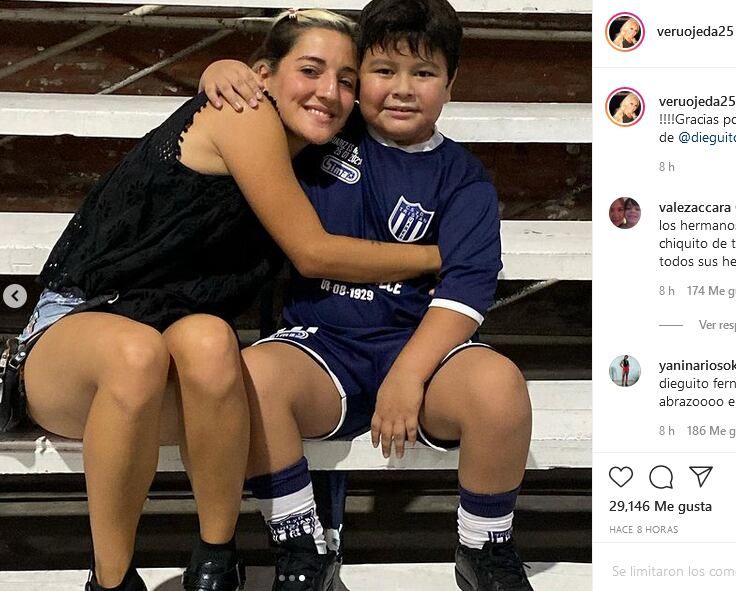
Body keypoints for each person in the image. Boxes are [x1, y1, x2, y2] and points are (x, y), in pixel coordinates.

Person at [17, 10, 442, 591]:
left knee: (212, 338)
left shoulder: (321, 147)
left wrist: (224, 66)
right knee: (137, 352)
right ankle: (111, 580)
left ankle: (216, 558)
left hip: (169, 354)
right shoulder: (245, 116)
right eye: (310, 70)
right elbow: (312, 253)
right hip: (78, 333)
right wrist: (441, 257)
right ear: (262, 75)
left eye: (346, 79)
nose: (329, 91)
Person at [200, 0, 534, 589]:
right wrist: (222, 68)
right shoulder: (321, 136)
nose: (403, 89)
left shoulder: (462, 177)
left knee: (500, 385)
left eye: (424, 74)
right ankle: (303, 552)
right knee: (251, 376)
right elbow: (268, 93)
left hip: (424, 356)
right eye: (384, 71)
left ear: (451, 84)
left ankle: (483, 549)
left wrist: (408, 375)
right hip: (323, 347)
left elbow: (469, 287)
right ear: (357, 77)